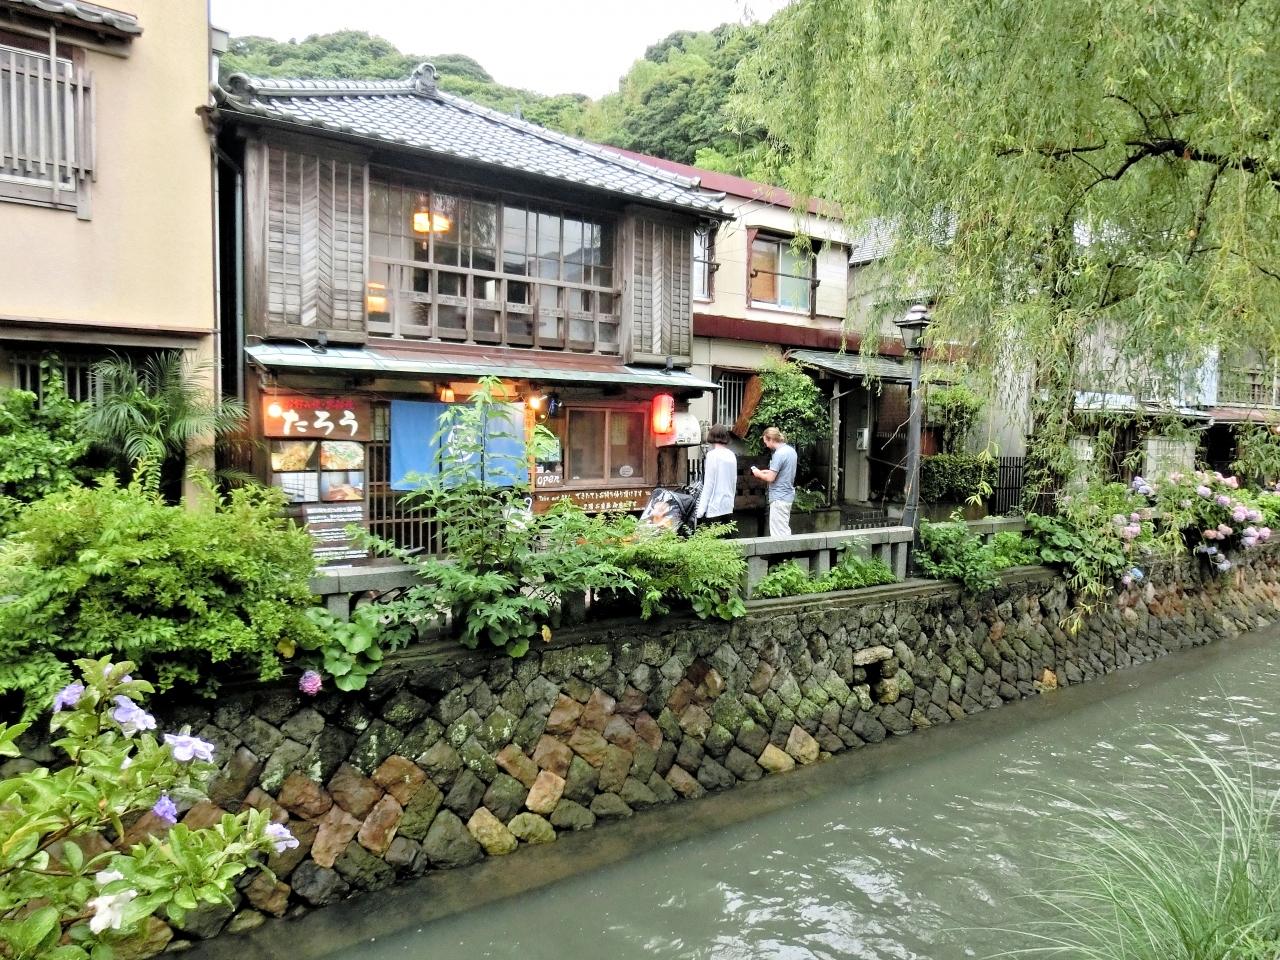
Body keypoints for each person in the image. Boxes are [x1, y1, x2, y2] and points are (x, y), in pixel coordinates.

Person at [751, 426, 797, 537]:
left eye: (766, 442)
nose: (766, 445)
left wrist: (758, 473)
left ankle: (787, 549)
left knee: (778, 534)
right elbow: (782, 472)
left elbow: (771, 478)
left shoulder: (779, 454)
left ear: (771, 439)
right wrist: (766, 472)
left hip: (778, 497)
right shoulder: (791, 451)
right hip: (787, 496)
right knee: (784, 529)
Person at [695, 424, 738, 524]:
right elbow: (734, 480)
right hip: (728, 505)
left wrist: (700, 511)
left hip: (714, 506)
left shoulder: (712, 455)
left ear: (712, 435)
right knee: (727, 532)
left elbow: (709, 483)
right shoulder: (731, 455)